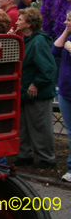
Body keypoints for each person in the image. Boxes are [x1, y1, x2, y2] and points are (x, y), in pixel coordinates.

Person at [13, 8, 57, 169]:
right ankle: (25, 155)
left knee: (40, 125)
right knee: (23, 125)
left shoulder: (39, 41)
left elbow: (48, 68)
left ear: (29, 24)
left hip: (37, 92)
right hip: (24, 91)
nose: (17, 21)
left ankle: (46, 158)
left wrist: (37, 84)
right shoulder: (25, 40)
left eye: (20, 19)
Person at [51, 11, 71, 183]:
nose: (65, 22)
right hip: (65, 91)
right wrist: (66, 32)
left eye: (69, 20)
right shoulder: (67, 38)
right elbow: (55, 50)